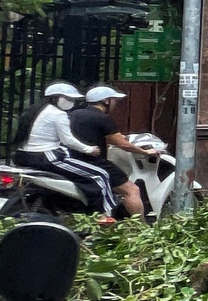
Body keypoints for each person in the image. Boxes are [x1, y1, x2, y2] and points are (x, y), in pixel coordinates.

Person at [9, 81, 117, 220]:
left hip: (24, 156)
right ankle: (101, 216)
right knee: (100, 175)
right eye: (68, 98)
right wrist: (89, 150)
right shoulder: (57, 114)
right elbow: (68, 140)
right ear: (56, 98)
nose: (71, 102)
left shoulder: (34, 111)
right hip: (46, 157)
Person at [68, 85, 153, 218]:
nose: (115, 104)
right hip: (93, 162)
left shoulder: (74, 114)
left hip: (71, 160)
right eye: (114, 101)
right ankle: (140, 228)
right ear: (106, 101)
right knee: (131, 190)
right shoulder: (102, 118)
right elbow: (123, 144)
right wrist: (146, 152)